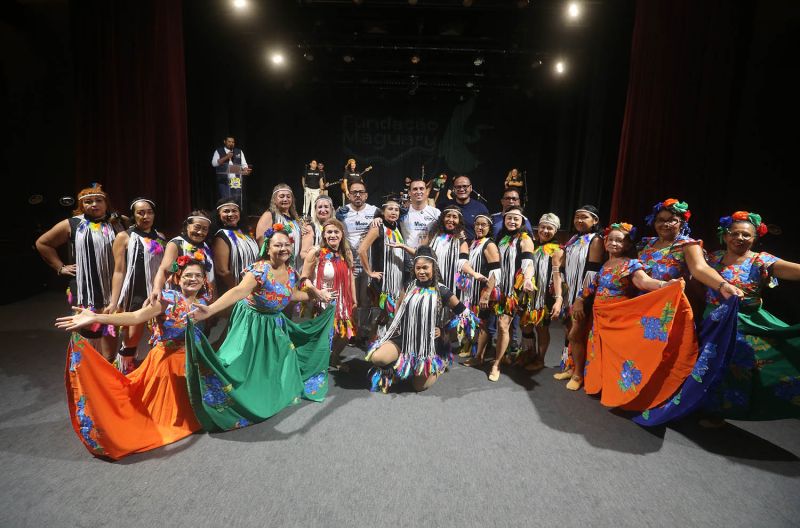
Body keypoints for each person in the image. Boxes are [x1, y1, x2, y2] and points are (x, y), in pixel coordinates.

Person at [55, 257, 209, 459]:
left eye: (198, 275)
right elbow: (136, 317)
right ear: (178, 278)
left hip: (191, 363)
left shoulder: (205, 302)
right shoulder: (167, 299)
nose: (193, 279)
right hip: (166, 366)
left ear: (205, 279)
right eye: (188, 275)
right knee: (150, 417)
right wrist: (97, 317)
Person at [185, 227, 335, 432]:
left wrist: (317, 296)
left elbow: (289, 295)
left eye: (286, 245)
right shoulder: (259, 270)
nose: (283, 248)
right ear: (268, 247)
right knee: (238, 363)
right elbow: (239, 291)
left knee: (278, 360)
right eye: (277, 245)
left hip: (274, 323)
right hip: (251, 322)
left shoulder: (291, 272)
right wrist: (209, 310)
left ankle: (271, 392)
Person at [574, 223, 698, 408]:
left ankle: (619, 393)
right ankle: (599, 386)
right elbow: (591, 287)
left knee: (618, 355)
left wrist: (665, 286)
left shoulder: (630, 264)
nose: (614, 243)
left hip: (618, 316)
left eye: (619, 240)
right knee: (600, 352)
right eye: (611, 239)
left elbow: (644, 282)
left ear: (626, 245)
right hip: (599, 315)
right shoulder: (605, 264)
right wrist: (579, 300)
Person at [699, 211, 800, 422]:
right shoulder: (712, 258)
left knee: (736, 368)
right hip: (712, 321)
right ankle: (700, 407)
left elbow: (794, 271)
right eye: (735, 233)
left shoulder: (760, 261)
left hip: (744, 323)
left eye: (746, 235)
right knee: (707, 364)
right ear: (725, 236)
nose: (740, 238)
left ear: (754, 239)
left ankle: (721, 413)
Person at [366, 245, 477, 393]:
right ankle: (396, 368)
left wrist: (444, 331)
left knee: (419, 387)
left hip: (427, 343)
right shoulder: (409, 286)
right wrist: (394, 328)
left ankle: (440, 363)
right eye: (418, 268)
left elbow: (465, 316)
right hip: (404, 337)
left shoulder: (442, 291)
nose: (421, 272)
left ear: (434, 268)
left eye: (425, 268)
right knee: (377, 357)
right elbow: (398, 310)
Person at [36, 184, 126, 361]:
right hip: (87, 288)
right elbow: (42, 243)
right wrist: (60, 267)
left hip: (113, 285)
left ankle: (108, 368)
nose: (94, 204)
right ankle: (88, 371)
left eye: (98, 200)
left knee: (110, 327)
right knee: (89, 330)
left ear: (106, 203)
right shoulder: (72, 224)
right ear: (81, 205)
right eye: (88, 202)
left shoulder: (116, 223)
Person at [638, 198, 742, 301]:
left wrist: (722, 286)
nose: (666, 224)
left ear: (682, 223)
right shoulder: (646, 244)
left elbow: (700, 268)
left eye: (672, 220)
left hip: (668, 305)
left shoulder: (687, 245)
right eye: (661, 220)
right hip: (640, 302)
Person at [107, 198, 166, 373]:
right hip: (135, 292)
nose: (145, 216)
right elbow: (118, 271)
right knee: (132, 338)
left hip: (156, 292)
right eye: (140, 213)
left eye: (149, 212)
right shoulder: (124, 237)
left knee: (161, 335)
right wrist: (114, 301)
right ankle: (124, 372)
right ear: (133, 215)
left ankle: (155, 372)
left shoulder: (161, 237)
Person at [553, 205, 605, 388]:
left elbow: (592, 273)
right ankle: (570, 366)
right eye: (577, 217)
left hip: (583, 296)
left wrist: (581, 299)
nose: (579, 221)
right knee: (569, 332)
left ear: (595, 221)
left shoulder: (596, 240)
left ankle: (578, 375)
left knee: (576, 334)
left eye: (584, 217)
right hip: (571, 294)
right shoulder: (574, 239)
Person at [301, 218, 357, 370]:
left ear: (342, 234)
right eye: (329, 232)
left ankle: (334, 357)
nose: (333, 235)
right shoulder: (316, 252)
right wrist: (316, 292)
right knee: (324, 334)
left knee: (346, 333)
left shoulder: (346, 253)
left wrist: (354, 299)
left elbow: (351, 277)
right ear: (324, 235)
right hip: (323, 300)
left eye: (336, 232)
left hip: (343, 301)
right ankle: (317, 362)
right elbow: (303, 279)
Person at [490, 206, 536, 382]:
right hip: (502, 288)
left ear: (522, 222)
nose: (512, 221)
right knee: (505, 326)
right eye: (509, 218)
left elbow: (528, 264)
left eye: (516, 219)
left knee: (505, 325)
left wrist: (528, 279)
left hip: (518, 290)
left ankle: (497, 364)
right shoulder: (502, 239)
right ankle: (507, 356)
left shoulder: (525, 240)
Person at [519, 213, 564, 372]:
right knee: (526, 325)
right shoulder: (533, 246)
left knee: (541, 327)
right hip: (528, 293)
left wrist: (558, 299)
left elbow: (557, 276)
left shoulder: (557, 251)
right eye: (543, 227)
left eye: (550, 228)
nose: (545, 230)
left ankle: (540, 359)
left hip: (544, 296)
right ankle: (528, 353)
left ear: (556, 230)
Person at [336, 181, 378, 343]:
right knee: (351, 299)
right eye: (354, 192)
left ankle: (364, 332)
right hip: (348, 263)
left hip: (368, 262)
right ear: (349, 195)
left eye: (361, 192)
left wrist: (379, 219)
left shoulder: (374, 211)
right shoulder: (342, 211)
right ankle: (351, 331)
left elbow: (390, 219)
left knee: (366, 298)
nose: (358, 195)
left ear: (366, 195)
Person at [359, 197, 407, 340]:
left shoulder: (397, 226)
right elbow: (362, 250)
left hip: (397, 278)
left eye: (396, 209)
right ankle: (374, 343)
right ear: (383, 212)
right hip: (383, 279)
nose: (393, 212)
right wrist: (369, 272)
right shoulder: (378, 227)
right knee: (382, 314)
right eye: (390, 209)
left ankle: (386, 341)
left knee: (393, 312)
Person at [151, 211, 215, 304]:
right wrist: (157, 289)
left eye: (205, 229)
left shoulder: (205, 247)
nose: (200, 232)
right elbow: (164, 269)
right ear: (188, 226)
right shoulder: (176, 244)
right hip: (179, 298)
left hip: (202, 298)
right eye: (197, 227)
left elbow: (210, 276)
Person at [462, 214, 501, 364]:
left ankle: (479, 356)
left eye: (483, 225)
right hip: (474, 289)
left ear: (489, 228)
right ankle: (475, 351)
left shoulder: (489, 245)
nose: (479, 227)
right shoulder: (474, 243)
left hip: (484, 290)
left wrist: (486, 294)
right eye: (477, 224)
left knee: (484, 322)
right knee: (479, 321)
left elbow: (495, 272)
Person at [212, 199, 259, 292]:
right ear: (219, 215)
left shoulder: (245, 234)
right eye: (226, 211)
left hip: (252, 288)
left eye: (234, 211)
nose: (230, 214)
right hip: (235, 290)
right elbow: (222, 271)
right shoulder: (221, 236)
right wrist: (239, 289)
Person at [255, 183, 304, 267]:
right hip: (277, 265)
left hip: (295, 265)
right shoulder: (269, 215)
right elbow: (262, 243)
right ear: (274, 199)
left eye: (288, 197)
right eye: (281, 196)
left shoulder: (295, 218)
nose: (285, 199)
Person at [437, 175, 489, 240]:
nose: (461, 189)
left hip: (472, 248)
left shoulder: (480, 208)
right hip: (447, 245)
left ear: (470, 188)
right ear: (454, 189)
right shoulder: (445, 206)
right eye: (458, 187)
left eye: (465, 186)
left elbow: (486, 233)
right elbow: (438, 228)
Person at [399, 178, 440, 249]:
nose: (418, 191)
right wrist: (379, 218)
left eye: (421, 188)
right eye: (415, 189)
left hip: (429, 256)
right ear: (409, 192)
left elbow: (445, 233)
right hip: (408, 257)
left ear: (426, 191)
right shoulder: (402, 212)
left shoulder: (436, 213)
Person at [211, 136, 252, 203]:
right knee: (226, 199)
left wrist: (246, 169)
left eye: (233, 142)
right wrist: (227, 157)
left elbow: (244, 164)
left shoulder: (239, 151)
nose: (231, 143)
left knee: (236, 199)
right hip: (224, 180)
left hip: (235, 179)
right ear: (225, 142)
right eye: (229, 141)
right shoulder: (218, 151)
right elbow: (214, 163)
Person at [300, 194, 334, 260]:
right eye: (320, 207)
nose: (323, 210)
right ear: (315, 210)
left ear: (331, 209)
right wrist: (322, 260)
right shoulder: (310, 228)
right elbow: (303, 254)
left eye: (326, 207)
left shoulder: (336, 227)